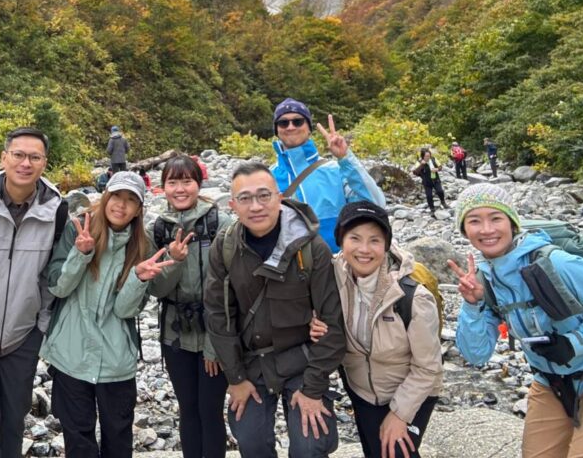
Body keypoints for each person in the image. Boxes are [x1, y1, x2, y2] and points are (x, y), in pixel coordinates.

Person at [448, 184, 583, 458]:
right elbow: (476, 355)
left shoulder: (559, 263)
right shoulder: (484, 280)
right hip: (552, 379)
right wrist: (472, 305)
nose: (487, 229)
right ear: (464, 230)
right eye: (474, 221)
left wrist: (573, 343)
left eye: (496, 218)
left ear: (512, 223)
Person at [204, 162, 346, 458]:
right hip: (252, 360)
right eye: (244, 198)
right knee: (251, 442)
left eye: (263, 195)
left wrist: (313, 388)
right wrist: (235, 378)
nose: (255, 206)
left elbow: (332, 322)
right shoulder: (226, 246)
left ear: (279, 197)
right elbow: (218, 314)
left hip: (302, 358)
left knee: (310, 444)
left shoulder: (312, 249)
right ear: (232, 205)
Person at [42, 171, 175, 458]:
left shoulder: (141, 246)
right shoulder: (77, 230)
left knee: (118, 436)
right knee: (78, 437)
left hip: (116, 360)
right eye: (116, 196)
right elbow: (59, 288)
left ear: (139, 209)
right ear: (105, 198)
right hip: (71, 354)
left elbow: (125, 310)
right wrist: (81, 254)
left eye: (130, 200)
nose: (121, 205)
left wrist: (138, 278)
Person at [0, 127, 68, 458]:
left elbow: (53, 275)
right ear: (3, 157)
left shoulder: (56, 211)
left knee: (13, 423)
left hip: (23, 337)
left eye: (34, 157)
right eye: (18, 155)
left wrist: (41, 326)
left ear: (44, 163)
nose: (25, 163)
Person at [310, 202, 443, 458]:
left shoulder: (412, 297)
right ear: (341, 240)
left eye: (374, 240)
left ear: (386, 245)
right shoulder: (331, 276)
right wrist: (312, 323)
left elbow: (428, 368)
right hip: (362, 390)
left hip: (409, 388)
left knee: (394, 451)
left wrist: (399, 414)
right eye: (355, 238)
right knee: (375, 451)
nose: (364, 249)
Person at [147, 155, 232, 458]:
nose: (180, 189)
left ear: (199, 183)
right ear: (163, 187)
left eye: (187, 181)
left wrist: (214, 344)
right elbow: (156, 289)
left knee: (210, 411)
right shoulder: (156, 230)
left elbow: (230, 289)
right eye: (173, 182)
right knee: (188, 409)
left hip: (215, 334)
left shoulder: (221, 225)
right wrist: (175, 262)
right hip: (175, 335)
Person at [269, 98, 385, 252]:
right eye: (283, 123)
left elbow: (376, 204)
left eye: (297, 121)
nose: (290, 127)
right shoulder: (267, 177)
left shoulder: (335, 170)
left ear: (309, 128)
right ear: (277, 130)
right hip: (288, 270)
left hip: (334, 266)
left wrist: (345, 158)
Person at [411, 148, 448, 213]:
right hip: (427, 182)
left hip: (436, 180)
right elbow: (415, 172)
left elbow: (440, 167)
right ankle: (432, 209)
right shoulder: (419, 162)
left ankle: (443, 202)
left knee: (440, 191)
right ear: (423, 156)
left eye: (429, 156)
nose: (428, 157)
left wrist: (437, 169)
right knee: (429, 196)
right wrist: (422, 165)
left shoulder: (433, 159)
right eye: (426, 156)